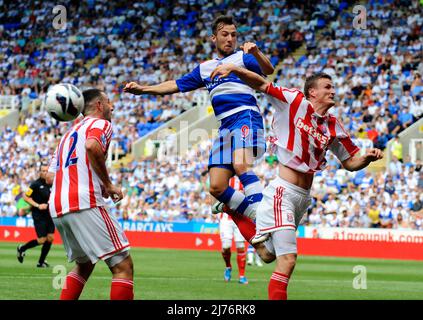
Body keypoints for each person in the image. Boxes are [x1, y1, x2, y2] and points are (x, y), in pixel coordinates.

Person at [210, 64, 384, 300]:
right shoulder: (294, 101)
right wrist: (234, 68)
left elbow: (350, 162)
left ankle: (233, 210)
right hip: (283, 191)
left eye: (333, 87)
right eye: (328, 87)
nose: (333, 91)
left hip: (302, 198)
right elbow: (261, 83)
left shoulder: (334, 126)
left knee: (268, 254)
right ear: (312, 92)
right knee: (288, 260)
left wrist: (366, 158)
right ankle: (235, 208)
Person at [124, 15, 274, 244]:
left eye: (234, 35)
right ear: (214, 38)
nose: (230, 39)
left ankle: (263, 217)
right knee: (216, 186)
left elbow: (268, 70)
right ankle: (251, 213)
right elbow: (175, 85)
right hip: (225, 126)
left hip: (245, 115)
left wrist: (255, 52)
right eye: (225, 34)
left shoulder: (243, 58)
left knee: (240, 163)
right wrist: (144, 89)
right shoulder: (205, 69)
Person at [46, 89, 134, 300]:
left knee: (84, 264)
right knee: (123, 266)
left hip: (58, 205)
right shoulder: (101, 124)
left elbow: (49, 175)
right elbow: (92, 145)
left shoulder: (68, 134)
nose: (112, 107)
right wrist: (108, 184)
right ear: (99, 106)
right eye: (108, 102)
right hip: (84, 201)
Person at [17, 164, 55, 268]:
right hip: (39, 215)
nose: (45, 173)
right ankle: (22, 248)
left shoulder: (52, 183)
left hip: (49, 214)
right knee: (42, 240)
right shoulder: (35, 184)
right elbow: (26, 197)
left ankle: (41, 262)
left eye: (47, 171)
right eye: (43, 171)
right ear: (40, 172)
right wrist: (38, 205)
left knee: (50, 238)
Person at [218, 176, 248, 284]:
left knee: (240, 246)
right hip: (226, 218)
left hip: (240, 218)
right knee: (226, 247)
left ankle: (242, 276)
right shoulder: (224, 178)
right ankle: (228, 267)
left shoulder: (245, 179)